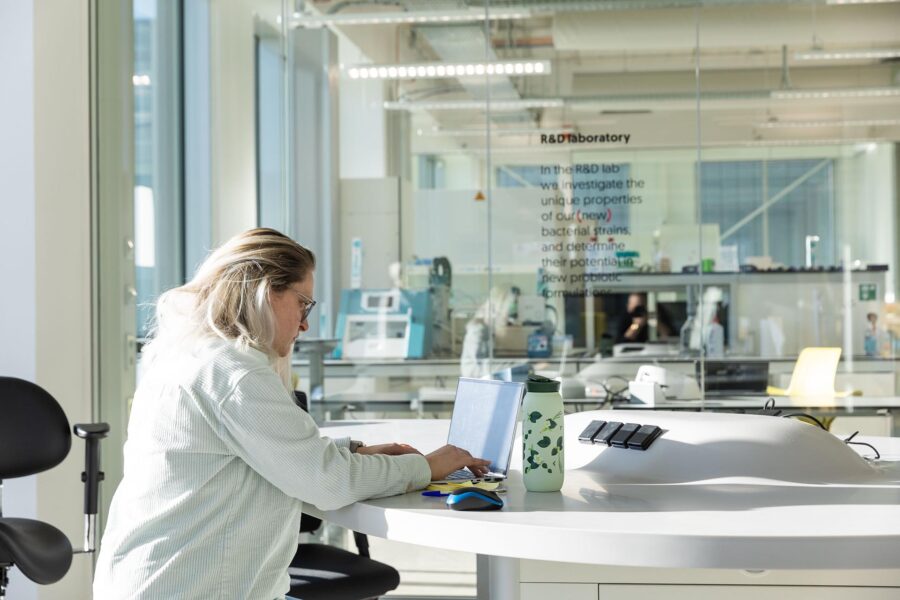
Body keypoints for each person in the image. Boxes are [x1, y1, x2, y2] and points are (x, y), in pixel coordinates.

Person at [93, 228, 490, 599]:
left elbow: (245, 458)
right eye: (302, 302)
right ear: (265, 292)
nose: (304, 322)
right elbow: (326, 484)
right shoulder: (235, 372)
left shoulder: (194, 355)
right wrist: (426, 467)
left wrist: (353, 452)